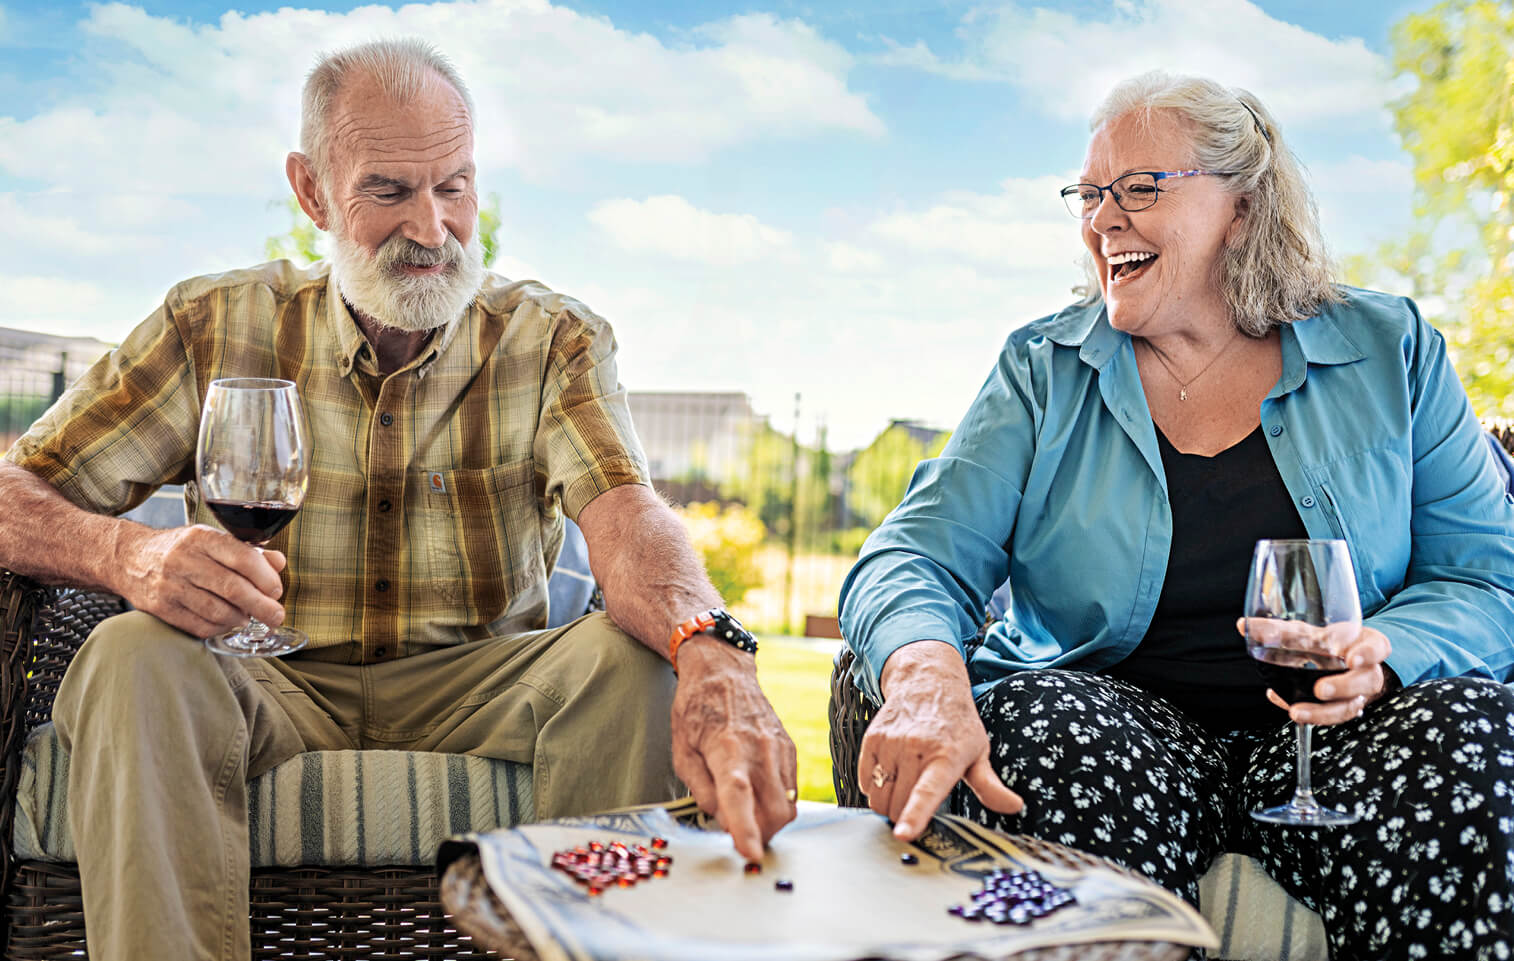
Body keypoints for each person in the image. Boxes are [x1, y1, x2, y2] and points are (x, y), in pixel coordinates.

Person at [0, 38, 797, 961]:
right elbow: (16, 491)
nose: (433, 227)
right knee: (131, 651)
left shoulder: (551, 338)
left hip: (484, 679)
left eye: (454, 186)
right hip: (262, 674)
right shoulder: (210, 322)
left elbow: (627, 518)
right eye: (389, 191)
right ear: (312, 192)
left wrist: (715, 649)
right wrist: (124, 557)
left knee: (636, 664)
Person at [839, 71, 1514, 961]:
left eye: (1140, 189)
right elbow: (913, 555)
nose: (1102, 218)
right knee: (1040, 729)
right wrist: (925, 671)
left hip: (1341, 732)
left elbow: (1485, 577)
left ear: (1242, 207)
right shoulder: (1045, 369)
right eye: (1089, 194)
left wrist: (1390, 653)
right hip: (1118, 722)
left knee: (1474, 740)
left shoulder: (1392, 352)